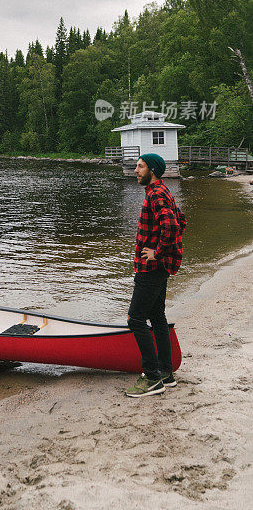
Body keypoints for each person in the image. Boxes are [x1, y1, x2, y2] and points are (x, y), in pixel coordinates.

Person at [125, 153, 186, 398]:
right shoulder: (162, 191)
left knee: (135, 319)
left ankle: (152, 378)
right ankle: (165, 373)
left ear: (152, 170)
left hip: (151, 268)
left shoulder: (157, 194)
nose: (136, 171)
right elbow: (181, 220)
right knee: (157, 316)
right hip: (159, 267)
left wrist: (158, 253)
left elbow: (172, 226)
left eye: (140, 167)